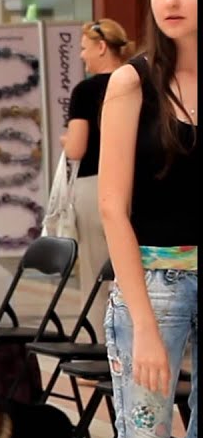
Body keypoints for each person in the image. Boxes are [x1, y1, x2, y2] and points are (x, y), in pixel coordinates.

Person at [97, 0, 197, 438]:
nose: (171, 0)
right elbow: (112, 210)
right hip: (153, 289)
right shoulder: (131, 83)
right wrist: (145, 324)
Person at [62, 18, 131, 314]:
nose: (80, 55)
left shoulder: (85, 91)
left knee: (95, 273)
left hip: (96, 184)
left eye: (84, 48)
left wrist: (65, 140)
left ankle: (98, 346)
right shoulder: (139, 83)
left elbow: (77, 148)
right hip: (136, 184)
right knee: (133, 268)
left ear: (102, 47)